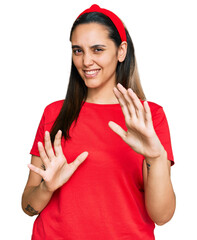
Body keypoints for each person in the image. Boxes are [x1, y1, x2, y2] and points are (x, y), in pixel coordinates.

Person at [21, 4, 176, 240]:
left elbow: (162, 216)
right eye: (78, 51)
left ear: (121, 51)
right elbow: (28, 205)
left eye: (97, 49)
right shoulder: (54, 113)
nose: (86, 61)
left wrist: (155, 157)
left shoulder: (148, 116)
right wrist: (47, 187)